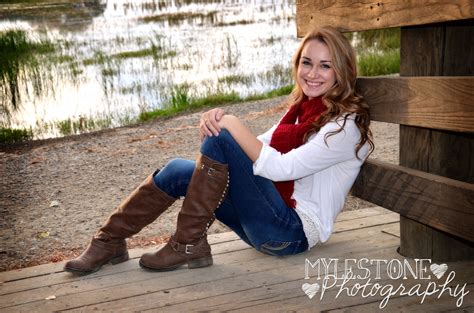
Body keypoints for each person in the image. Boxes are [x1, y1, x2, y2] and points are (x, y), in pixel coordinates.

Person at [64, 26, 374, 275]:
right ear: (297, 64)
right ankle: (109, 241)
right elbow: (260, 147)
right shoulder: (302, 110)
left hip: (290, 235)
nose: (312, 73)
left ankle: (187, 243)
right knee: (177, 170)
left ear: (341, 71)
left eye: (325, 66)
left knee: (223, 135)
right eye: (306, 62)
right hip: (267, 219)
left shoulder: (344, 127)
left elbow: (282, 169)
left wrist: (230, 124)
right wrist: (221, 121)